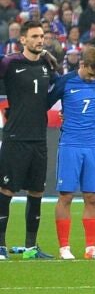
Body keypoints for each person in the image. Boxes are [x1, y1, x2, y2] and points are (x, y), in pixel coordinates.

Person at [49, 45, 95, 260]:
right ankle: (64, 247)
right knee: (66, 196)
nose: (92, 79)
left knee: (92, 197)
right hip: (70, 145)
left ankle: (91, 247)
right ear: (82, 64)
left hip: (92, 146)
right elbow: (45, 103)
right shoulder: (66, 82)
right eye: (90, 74)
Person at [0, 19, 64, 259]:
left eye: (41, 37)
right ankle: (0, 245)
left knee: (37, 192)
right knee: (6, 190)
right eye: (34, 37)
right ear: (23, 40)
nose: (39, 40)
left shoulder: (48, 66)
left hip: (39, 138)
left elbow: (60, 89)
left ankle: (30, 248)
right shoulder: (10, 63)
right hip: (15, 138)